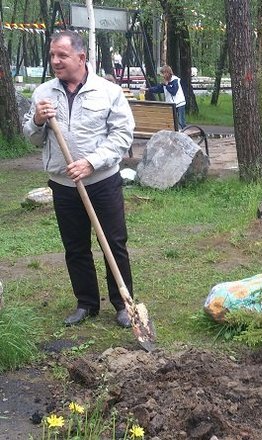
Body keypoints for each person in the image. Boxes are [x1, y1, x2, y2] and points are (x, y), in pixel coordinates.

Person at [22, 30, 135, 328]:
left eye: (62, 55)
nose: (55, 61)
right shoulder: (43, 93)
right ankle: (86, 303)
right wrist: (37, 120)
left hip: (102, 182)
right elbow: (32, 139)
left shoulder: (108, 91)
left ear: (81, 57)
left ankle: (124, 305)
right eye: (52, 55)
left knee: (113, 243)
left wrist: (91, 162)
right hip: (63, 185)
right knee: (75, 247)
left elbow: (122, 136)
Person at [143, 65, 187, 129]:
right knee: (172, 121)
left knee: (181, 121)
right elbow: (158, 89)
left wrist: (167, 85)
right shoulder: (165, 81)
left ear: (168, 73)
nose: (163, 76)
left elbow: (173, 92)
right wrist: (147, 89)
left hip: (179, 103)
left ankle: (183, 131)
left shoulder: (175, 80)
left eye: (163, 73)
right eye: (162, 74)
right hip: (171, 104)